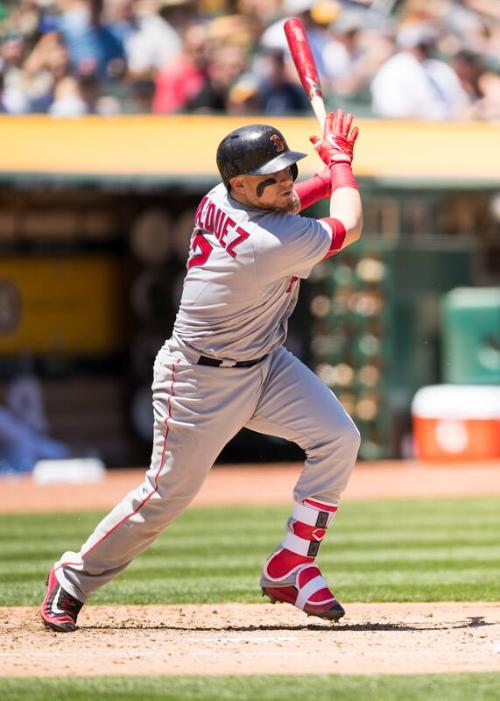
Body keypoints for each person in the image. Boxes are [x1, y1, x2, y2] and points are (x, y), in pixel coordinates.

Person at [40, 108, 363, 632]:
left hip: (266, 362)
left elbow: (290, 202)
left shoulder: (221, 198)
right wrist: (343, 164)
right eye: (272, 177)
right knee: (165, 497)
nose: (286, 184)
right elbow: (348, 225)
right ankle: (72, 578)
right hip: (199, 381)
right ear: (240, 184)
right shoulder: (267, 244)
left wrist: (325, 171)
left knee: (338, 440)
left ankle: (293, 563)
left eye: (289, 172)